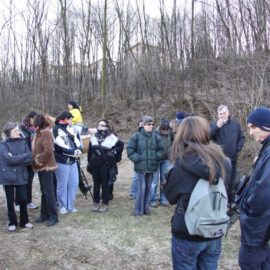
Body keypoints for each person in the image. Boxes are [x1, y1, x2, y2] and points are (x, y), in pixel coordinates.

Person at [165, 116, 231, 270]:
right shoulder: (224, 161)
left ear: (182, 134)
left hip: (187, 232)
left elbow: (170, 197)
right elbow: (228, 191)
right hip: (214, 229)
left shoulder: (181, 162)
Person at [237, 107, 270, 269]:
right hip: (260, 225)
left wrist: (247, 211)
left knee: (249, 262)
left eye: (253, 127)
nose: (250, 132)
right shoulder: (266, 149)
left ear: (266, 126)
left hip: (258, 225)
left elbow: (262, 193)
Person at [127, 115, 163, 216]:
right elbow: (130, 150)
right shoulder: (136, 136)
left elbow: (161, 150)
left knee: (148, 188)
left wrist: (155, 157)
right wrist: (138, 159)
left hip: (151, 167)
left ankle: (145, 209)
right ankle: (138, 210)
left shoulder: (156, 136)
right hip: (140, 168)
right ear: (143, 125)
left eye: (152, 124)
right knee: (141, 188)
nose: (151, 126)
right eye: (148, 124)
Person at [0, 122, 34, 231]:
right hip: (8, 176)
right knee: (10, 201)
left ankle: (24, 221)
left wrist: (16, 158)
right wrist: (21, 157)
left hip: (21, 174)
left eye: (18, 130)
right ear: (9, 133)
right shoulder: (3, 144)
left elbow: (29, 158)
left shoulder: (23, 142)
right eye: (15, 131)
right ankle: (12, 222)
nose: (18, 132)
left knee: (23, 199)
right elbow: (8, 159)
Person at [210, 105, 245, 205]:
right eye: (220, 114)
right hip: (220, 160)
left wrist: (238, 148)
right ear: (218, 115)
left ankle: (231, 202)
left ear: (228, 113)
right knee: (222, 182)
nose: (223, 115)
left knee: (232, 182)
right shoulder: (214, 125)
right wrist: (217, 127)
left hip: (233, 158)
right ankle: (222, 203)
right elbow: (207, 137)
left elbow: (241, 138)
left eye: (224, 113)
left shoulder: (236, 124)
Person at [87, 119, 123, 213]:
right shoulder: (93, 137)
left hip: (105, 165)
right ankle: (96, 202)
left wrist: (114, 152)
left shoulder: (111, 137)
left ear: (107, 127)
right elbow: (90, 151)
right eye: (99, 125)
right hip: (95, 164)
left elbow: (120, 145)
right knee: (96, 184)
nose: (100, 126)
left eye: (103, 125)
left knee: (105, 184)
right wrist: (89, 162)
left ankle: (105, 202)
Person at [53, 111, 82, 214]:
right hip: (61, 161)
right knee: (62, 185)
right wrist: (73, 152)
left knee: (74, 183)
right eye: (70, 118)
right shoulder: (56, 129)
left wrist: (78, 149)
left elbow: (77, 140)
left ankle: (70, 205)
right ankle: (63, 206)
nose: (71, 120)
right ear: (65, 119)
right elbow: (61, 145)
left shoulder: (72, 128)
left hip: (73, 161)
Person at [32, 114, 58, 227]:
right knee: (44, 192)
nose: (33, 126)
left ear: (39, 123)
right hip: (41, 168)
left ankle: (53, 216)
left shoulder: (46, 133)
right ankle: (44, 215)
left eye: (35, 124)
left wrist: (37, 160)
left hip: (47, 167)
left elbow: (48, 151)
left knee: (49, 193)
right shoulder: (39, 133)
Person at [15, 111, 38, 212]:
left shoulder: (35, 130)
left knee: (30, 181)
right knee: (20, 182)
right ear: (30, 118)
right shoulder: (21, 129)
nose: (36, 121)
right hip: (22, 160)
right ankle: (17, 202)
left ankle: (29, 201)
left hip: (31, 160)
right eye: (35, 119)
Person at [150, 118, 173, 207]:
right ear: (160, 128)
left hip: (166, 160)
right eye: (163, 129)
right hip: (156, 160)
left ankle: (163, 198)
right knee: (154, 182)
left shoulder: (170, 134)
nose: (165, 131)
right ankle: (152, 199)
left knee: (165, 180)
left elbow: (173, 143)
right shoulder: (154, 134)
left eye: (167, 129)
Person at [129, 119, 143, 200]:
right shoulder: (135, 136)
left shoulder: (151, 135)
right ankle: (133, 193)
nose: (141, 127)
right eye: (140, 125)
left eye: (142, 125)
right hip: (138, 160)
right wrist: (136, 157)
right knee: (136, 177)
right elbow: (131, 149)